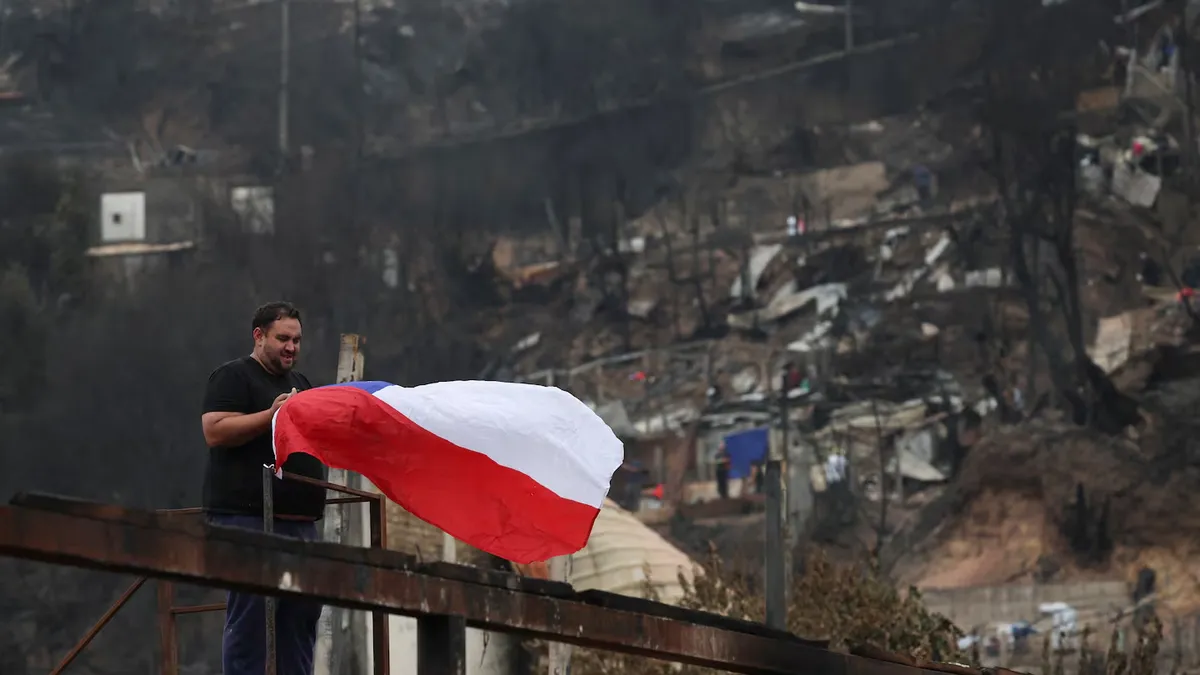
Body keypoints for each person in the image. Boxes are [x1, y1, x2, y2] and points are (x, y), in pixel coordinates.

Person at [201, 301, 327, 675]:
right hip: (247, 517)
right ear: (259, 336)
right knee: (251, 617)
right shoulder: (232, 377)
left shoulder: (301, 384)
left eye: (297, 340)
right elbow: (214, 430)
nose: (292, 347)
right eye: (283, 338)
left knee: (301, 615)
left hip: (299, 520)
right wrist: (271, 415)